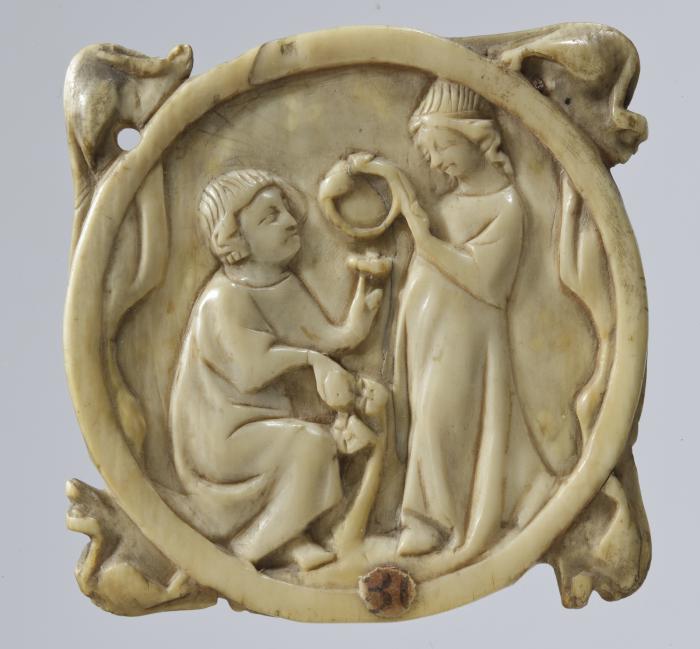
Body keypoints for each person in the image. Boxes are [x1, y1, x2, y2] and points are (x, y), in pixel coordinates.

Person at [169, 169, 385, 570]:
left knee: (316, 443)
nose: (290, 220)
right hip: (220, 439)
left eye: (286, 210)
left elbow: (329, 337)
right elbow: (250, 372)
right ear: (235, 239)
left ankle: (289, 539)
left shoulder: (282, 283)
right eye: (270, 217)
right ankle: (252, 548)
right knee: (312, 445)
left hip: (263, 428)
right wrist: (309, 360)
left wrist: (363, 306)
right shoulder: (224, 298)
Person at [394, 79, 550, 558]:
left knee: (443, 420)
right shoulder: (447, 204)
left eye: (441, 147)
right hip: (429, 334)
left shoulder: (506, 207)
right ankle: (429, 515)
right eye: (427, 154)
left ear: (476, 137)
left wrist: (425, 240)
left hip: (468, 336)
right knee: (427, 418)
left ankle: (431, 520)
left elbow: (486, 280)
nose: (434, 162)